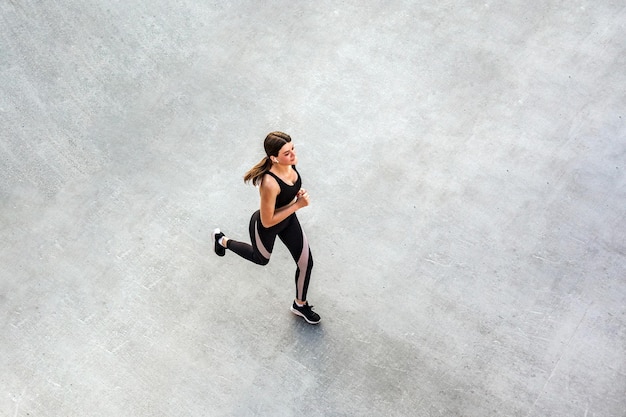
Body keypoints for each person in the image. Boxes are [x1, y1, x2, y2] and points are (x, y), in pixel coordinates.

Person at [212, 131, 321, 325]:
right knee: (261, 259)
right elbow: (267, 221)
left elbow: (289, 189)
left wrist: (296, 197)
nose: (293, 155)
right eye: (287, 153)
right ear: (274, 158)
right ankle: (222, 240)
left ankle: (300, 305)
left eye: (293, 149)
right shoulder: (269, 183)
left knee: (306, 263)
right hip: (266, 226)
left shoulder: (290, 164)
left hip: (288, 219)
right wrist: (297, 205)